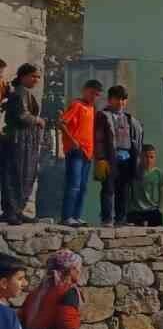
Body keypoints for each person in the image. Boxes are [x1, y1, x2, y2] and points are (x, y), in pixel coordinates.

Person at [1, 63, 45, 225]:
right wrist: (38, 120)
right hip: (18, 139)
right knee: (15, 175)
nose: (36, 80)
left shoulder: (25, 92)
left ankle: (18, 210)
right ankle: (11, 211)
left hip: (26, 139)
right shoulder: (20, 92)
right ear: (23, 76)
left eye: (38, 77)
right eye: (33, 76)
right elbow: (22, 116)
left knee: (26, 175)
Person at [94, 84, 145, 226]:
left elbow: (136, 138)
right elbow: (99, 139)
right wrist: (101, 158)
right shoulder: (103, 116)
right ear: (110, 100)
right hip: (110, 157)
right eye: (117, 99)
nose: (121, 102)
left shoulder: (129, 119)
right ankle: (107, 219)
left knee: (123, 189)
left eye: (123, 99)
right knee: (108, 189)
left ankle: (121, 219)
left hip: (127, 157)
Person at [59, 78, 101, 227]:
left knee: (83, 187)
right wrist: (73, 141)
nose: (93, 96)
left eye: (96, 94)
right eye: (91, 93)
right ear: (85, 90)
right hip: (76, 151)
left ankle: (76, 216)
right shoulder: (77, 104)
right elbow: (62, 123)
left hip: (88, 153)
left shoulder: (92, 108)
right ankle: (67, 216)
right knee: (73, 185)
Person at [126, 144, 163, 227]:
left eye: (151, 157)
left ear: (155, 158)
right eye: (146, 157)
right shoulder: (134, 172)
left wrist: (160, 207)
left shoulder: (159, 174)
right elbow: (127, 191)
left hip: (152, 209)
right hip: (135, 210)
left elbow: (162, 191)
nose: (148, 160)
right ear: (141, 157)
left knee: (157, 233)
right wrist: (128, 207)